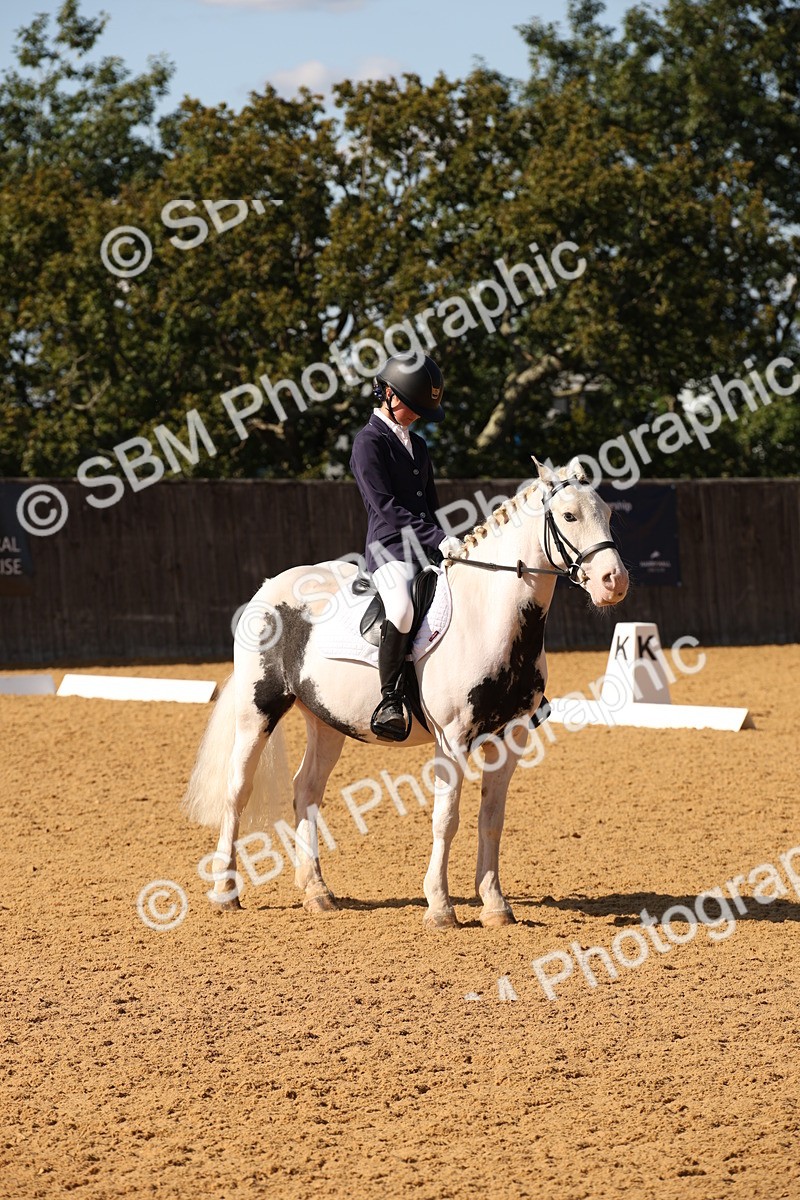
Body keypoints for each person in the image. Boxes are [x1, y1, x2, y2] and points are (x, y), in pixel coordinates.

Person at [350, 352, 463, 740]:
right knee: (400, 609)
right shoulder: (368, 443)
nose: (417, 415)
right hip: (389, 549)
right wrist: (438, 538)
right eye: (413, 406)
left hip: (426, 547)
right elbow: (386, 507)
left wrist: (446, 542)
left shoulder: (418, 444)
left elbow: (430, 506)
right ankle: (390, 700)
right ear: (388, 394)